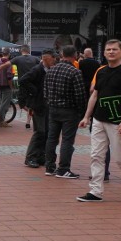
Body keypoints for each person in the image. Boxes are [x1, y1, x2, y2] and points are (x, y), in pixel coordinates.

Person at [76, 39, 121, 203]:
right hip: (98, 119)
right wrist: (86, 116)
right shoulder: (101, 71)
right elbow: (95, 95)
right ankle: (95, 191)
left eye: (114, 49)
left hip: (117, 121)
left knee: (120, 157)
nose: (111, 52)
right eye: (108, 50)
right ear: (104, 53)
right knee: (96, 155)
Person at [43, 45, 87, 178]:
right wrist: (82, 113)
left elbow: (45, 92)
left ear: (62, 55)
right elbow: (80, 95)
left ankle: (49, 167)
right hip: (69, 110)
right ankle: (63, 169)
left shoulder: (50, 70)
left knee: (51, 138)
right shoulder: (75, 72)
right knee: (67, 140)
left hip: (53, 109)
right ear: (75, 56)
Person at [19, 49, 56, 167]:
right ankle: (30, 157)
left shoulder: (49, 70)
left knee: (46, 131)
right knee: (39, 131)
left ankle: (40, 156)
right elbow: (23, 80)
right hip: (38, 105)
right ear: (46, 59)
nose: (54, 60)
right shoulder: (37, 69)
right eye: (52, 58)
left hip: (46, 104)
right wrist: (35, 91)